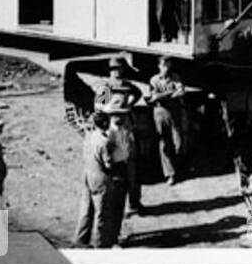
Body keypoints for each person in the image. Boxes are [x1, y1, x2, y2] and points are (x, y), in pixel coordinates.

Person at [97, 59, 144, 214]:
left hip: (126, 128)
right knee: (117, 169)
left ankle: (134, 202)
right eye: (113, 69)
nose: (116, 72)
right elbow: (98, 106)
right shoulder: (107, 86)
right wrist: (109, 107)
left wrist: (130, 103)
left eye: (119, 69)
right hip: (113, 129)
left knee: (132, 168)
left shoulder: (126, 85)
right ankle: (117, 206)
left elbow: (138, 93)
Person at [75, 110, 125, 249]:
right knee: (101, 213)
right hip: (100, 178)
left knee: (86, 210)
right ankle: (99, 243)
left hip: (87, 175)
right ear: (104, 123)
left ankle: (80, 240)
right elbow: (108, 164)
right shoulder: (104, 142)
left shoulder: (89, 137)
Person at [147, 55, 186, 186]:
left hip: (174, 112)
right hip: (160, 112)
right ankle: (170, 173)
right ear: (159, 66)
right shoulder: (154, 80)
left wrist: (162, 95)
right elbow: (153, 97)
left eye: (168, 65)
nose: (166, 68)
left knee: (178, 142)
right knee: (164, 143)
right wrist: (170, 93)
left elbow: (181, 92)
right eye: (163, 65)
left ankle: (178, 166)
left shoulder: (175, 77)